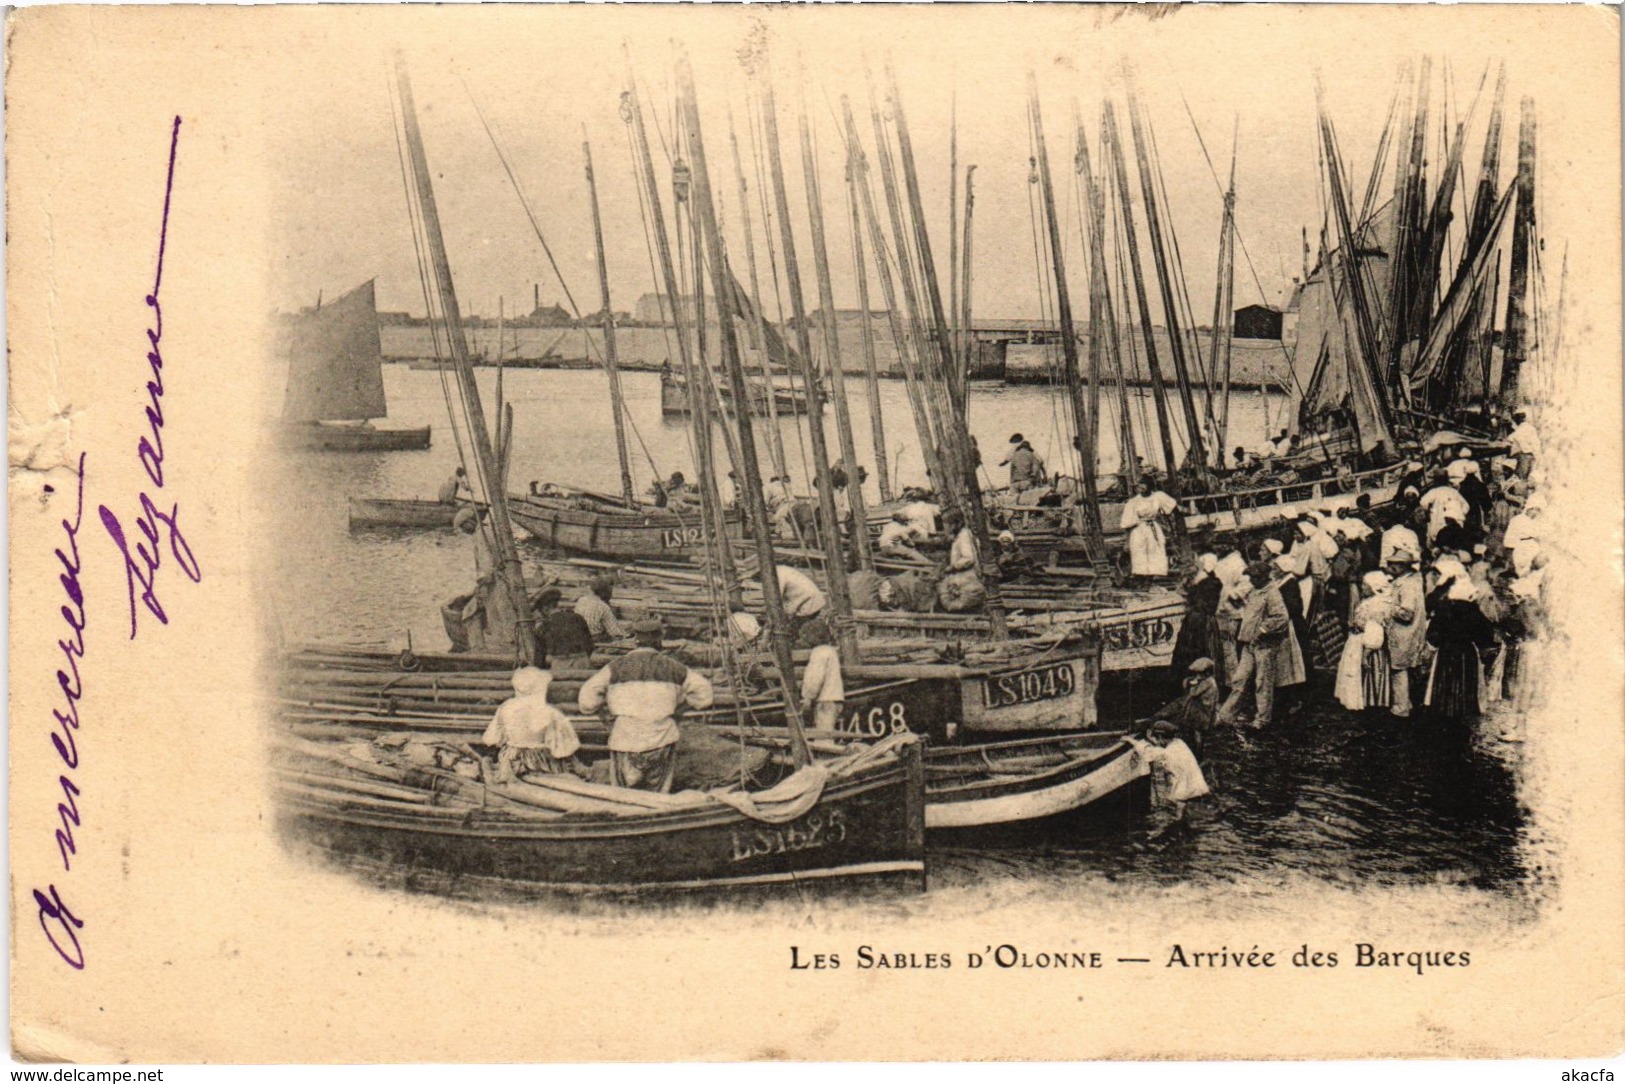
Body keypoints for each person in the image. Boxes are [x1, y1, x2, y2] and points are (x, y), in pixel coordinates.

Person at [578, 620, 714, 792]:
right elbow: (705, 695)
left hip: (625, 738)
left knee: (623, 795)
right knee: (658, 795)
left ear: (636, 639)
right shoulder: (675, 668)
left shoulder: (614, 668)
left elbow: (586, 701)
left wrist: (605, 715)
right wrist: (681, 709)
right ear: (659, 639)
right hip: (661, 738)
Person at [1217, 562, 1299, 729]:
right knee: (1240, 678)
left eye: (1255, 577)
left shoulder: (1272, 593)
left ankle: (1262, 719)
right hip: (1249, 643)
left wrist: (1262, 630)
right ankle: (1226, 715)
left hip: (1265, 645)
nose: (1252, 580)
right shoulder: (1255, 591)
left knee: (1263, 681)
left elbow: (1281, 617)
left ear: (1263, 577)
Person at [1424, 571, 1499, 727]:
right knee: (1465, 682)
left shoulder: (1443, 609)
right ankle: (1462, 713)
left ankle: (1444, 712)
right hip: (1466, 652)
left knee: (1445, 681)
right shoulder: (1474, 611)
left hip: (1446, 651)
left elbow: (1432, 635)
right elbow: (1485, 634)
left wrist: (1434, 645)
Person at [482, 667, 583, 782]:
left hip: (511, 759)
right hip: (539, 761)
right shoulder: (548, 711)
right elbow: (563, 748)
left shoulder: (505, 707)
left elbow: (493, 738)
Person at [1335, 571, 1394, 712]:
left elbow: (1375, 630)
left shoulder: (1376, 604)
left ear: (1373, 586)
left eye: (1365, 585)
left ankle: (1370, 702)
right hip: (1358, 639)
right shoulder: (1370, 601)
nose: (1362, 587)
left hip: (1368, 643)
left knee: (1369, 673)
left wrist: (1367, 652)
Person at [1171, 554, 1226, 690]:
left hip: (1199, 622)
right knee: (1199, 651)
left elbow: (1201, 605)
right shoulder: (1212, 582)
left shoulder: (1207, 583)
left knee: (1196, 650)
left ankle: (1195, 683)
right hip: (1200, 621)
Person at [1384, 553, 1428, 719]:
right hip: (1406, 633)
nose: (1389, 567)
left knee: (1399, 669)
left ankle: (1401, 707)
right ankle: (1406, 702)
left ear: (1401, 567)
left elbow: (1407, 613)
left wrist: (1388, 606)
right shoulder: (1408, 582)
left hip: (1404, 633)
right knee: (1404, 668)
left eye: (1391, 564)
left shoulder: (1407, 586)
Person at [1142, 720, 1211, 827]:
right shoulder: (1180, 743)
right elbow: (1161, 746)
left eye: (1157, 738)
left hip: (1185, 790)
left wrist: (1133, 741)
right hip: (1197, 785)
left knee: (1178, 815)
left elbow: (1149, 753)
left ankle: (1179, 822)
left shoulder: (1167, 753)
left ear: (1160, 737)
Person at [1151, 659, 1220, 761]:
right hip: (1204, 711)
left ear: (1207, 673)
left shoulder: (1208, 682)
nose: (1198, 676)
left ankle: (1198, 756)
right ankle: (1197, 754)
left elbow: (1193, 693)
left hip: (1203, 713)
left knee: (1197, 733)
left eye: (1200, 674)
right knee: (1196, 733)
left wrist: (1192, 684)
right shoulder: (1209, 681)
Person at [1120, 478, 1177, 578]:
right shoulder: (1134, 501)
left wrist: (1171, 526)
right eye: (1139, 485)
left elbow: (1171, 507)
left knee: (1155, 550)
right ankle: (1141, 577)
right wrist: (1127, 541)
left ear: (1149, 485)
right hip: (1139, 529)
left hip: (1153, 527)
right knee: (1139, 552)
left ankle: (1153, 577)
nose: (1140, 487)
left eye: (1143, 484)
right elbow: (1127, 522)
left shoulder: (1158, 496)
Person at [531, 587, 594, 671]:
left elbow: (539, 660)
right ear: (556, 605)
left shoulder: (543, 627)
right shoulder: (577, 618)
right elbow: (590, 644)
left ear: (545, 609)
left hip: (560, 665)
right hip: (582, 661)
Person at [799, 620, 845, 732]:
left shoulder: (819, 653)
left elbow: (815, 679)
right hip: (835, 699)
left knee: (823, 736)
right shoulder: (831, 651)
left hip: (825, 701)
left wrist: (808, 697)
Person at [937, 509, 986, 613]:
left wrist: (953, 566)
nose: (944, 527)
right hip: (965, 578)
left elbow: (969, 558)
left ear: (954, 524)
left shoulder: (964, 537)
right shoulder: (962, 535)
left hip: (967, 580)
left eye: (946, 524)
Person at [774, 564, 828, 645]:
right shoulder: (781, 570)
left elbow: (776, 598)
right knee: (796, 629)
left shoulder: (779, 575)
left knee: (791, 632)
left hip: (809, 602)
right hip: (809, 599)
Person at [574, 574, 630, 642]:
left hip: (579, 636)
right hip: (594, 639)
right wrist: (625, 634)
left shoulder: (581, 600)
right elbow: (614, 632)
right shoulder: (602, 606)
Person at [1419, 479, 1470, 545]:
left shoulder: (1434, 491)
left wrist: (1428, 511)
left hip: (1437, 521)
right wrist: (1458, 514)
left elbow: (1423, 503)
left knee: (1438, 541)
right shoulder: (1454, 492)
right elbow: (1466, 506)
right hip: (1454, 522)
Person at [1503, 493, 1543, 576]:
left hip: (1533, 551)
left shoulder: (1536, 522)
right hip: (1520, 551)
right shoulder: (1517, 520)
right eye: (1535, 509)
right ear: (1529, 508)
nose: (1536, 513)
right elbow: (1509, 541)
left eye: (1538, 510)